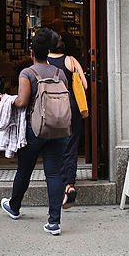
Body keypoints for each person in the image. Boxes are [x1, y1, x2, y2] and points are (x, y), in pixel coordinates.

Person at [0, 27, 69, 236]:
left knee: (25, 169)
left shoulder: (27, 73)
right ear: (48, 51)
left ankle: (14, 206)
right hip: (59, 129)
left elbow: (21, 102)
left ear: (31, 51)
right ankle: (54, 222)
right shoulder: (60, 73)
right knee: (54, 173)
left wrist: (7, 99)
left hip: (35, 129)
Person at [46, 32, 87, 207]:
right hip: (71, 106)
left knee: (53, 145)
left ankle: (55, 182)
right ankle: (69, 185)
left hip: (51, 107)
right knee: (71, 145)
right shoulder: (71, 60)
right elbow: (84, 85)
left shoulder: (44, 60)